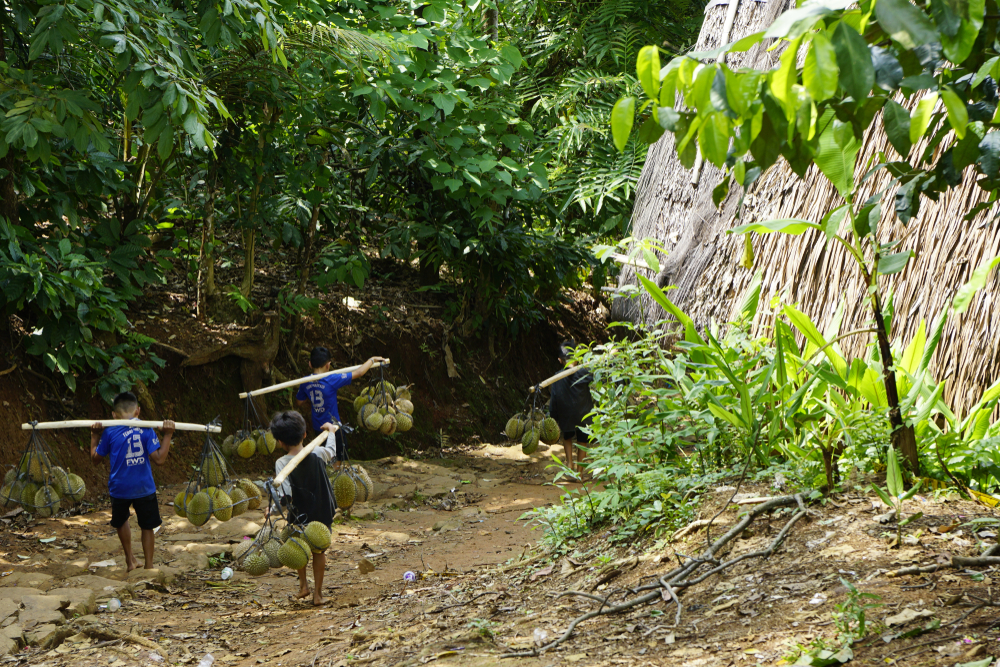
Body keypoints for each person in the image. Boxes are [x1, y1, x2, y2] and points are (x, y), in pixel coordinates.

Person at [90, 392, 175, 572]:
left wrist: (94, 435)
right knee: (147, 526)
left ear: (113, 415)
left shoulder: (110, 431)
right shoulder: (146, 428)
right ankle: (149, 566)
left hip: (120, 487)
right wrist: (167, 435)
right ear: (138, 411)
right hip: (143, 487)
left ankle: (130, 561)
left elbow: (95, 458)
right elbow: (159, 459)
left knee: (121, 521)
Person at [267, 410, 336, 606]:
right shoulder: (318, 452)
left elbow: (285, 496)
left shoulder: (281, 463)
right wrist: (331, 431)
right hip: (322, 507)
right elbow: (331, 451)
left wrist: (272, 510)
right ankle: (318, 594)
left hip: (298, 511)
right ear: (305, 434)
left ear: (280, 442)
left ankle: (303, 586)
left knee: (299, 546)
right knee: (318, 550)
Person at [296, 348, 385, 469]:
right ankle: (334, 479)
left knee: (324, 456)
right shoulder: (332, 379)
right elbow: (359, 373)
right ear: (328, 365)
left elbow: (299, 401)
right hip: (334, 427)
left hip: (318, 427)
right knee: (338, 457)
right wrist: (371, 360)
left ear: (310, 364)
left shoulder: (305, 382)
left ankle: (329, 477)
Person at [549, 340, 593, 475]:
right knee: (583, 440)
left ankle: (569, 463)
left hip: (565, 414)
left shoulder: (556, 377)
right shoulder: (585, 373)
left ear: (559, 360)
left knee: (567, 436)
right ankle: (579, 473)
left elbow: (554, 398)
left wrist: (553, 415)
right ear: (577, 357)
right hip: (583, 413)